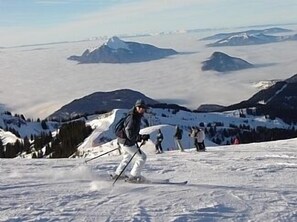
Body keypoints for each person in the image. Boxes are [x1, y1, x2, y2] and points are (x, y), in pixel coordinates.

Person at [113, 99, 149, 181]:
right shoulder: (133, 118)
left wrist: (140, 137)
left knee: (127, 157)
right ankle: (134, 176)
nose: (142, 109)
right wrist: (140, 137)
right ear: (136, 107)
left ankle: (119, 174)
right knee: (142, 157)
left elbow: (131, 133)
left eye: (143, 108)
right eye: (141, 107)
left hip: (123, 141)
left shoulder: (134, 116)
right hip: (127, 142)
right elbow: (130, 134)